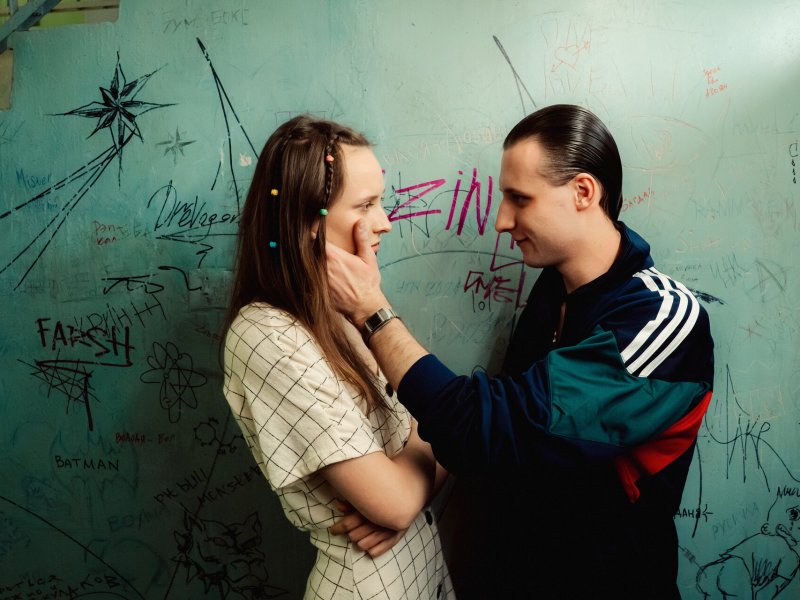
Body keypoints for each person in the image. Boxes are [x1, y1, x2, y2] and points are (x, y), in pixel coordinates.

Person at [325, 104, 715, 599]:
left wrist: (372, 311)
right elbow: (498, 447)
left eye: (520, 198)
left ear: (583, 192)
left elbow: (483, 428)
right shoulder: (552, 292)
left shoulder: (661, 319)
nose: (501, 220)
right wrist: (401, 504)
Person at [222, 115, 454, 600]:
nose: (385, 222)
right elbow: (398, 497)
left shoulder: (350, 307)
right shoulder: (266, 334)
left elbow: (449, 420)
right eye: (366, 205)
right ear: (309, 221)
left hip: (421, 572)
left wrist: (417, 469)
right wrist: (423, 464)